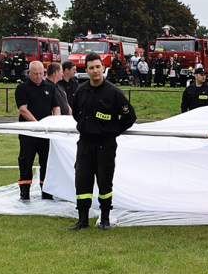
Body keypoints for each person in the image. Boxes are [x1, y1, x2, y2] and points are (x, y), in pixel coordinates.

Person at [68, 53, 137, 230]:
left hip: (105, 145)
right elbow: (77, 113)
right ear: (87, 70)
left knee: (104, 181)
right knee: (82, 180)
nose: (95, 70)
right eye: (91, 67)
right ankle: (82, 219)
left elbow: (129, 117)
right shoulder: (81, 90)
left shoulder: (114, 92)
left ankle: (105, 218)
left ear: (103, 68)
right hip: (85, 143)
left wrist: (112, 131)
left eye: (98, 66)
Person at [15, 61, 60, 202]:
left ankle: (46, 192)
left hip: (46, 133)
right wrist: (37, 125)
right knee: (25, 161)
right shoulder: (22, 88)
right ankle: (25, 193)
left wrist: (54, 124)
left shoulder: (49, 87)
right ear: (29, 73)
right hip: (29, 132)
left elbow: (56, 107)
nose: (39, 76)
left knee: (47, 161)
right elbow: (23, 109)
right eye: (35, 74)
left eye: (41, 73)